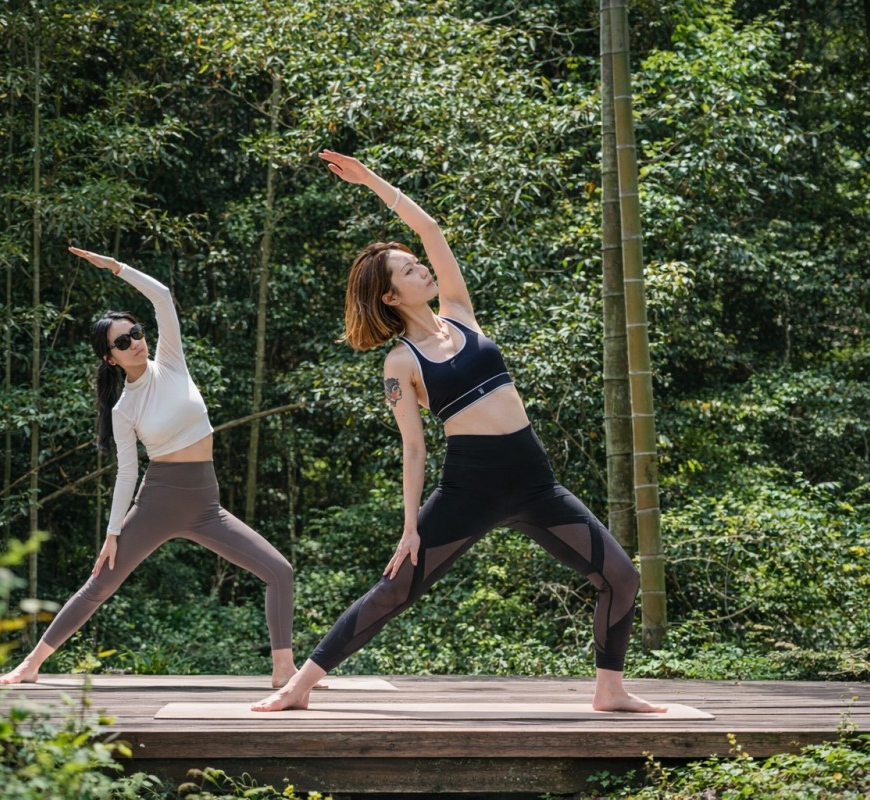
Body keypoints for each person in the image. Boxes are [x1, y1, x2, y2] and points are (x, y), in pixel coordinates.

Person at [253, 151, 665, 713]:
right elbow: (414, 447)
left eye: (415, 262)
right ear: (390, 297)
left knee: (622, 576)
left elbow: (430, 227)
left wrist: (372, 180)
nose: (420, 266)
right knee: (397, 588)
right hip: (468, 488)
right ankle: (298, 687)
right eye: (406, 270)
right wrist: (408, 529)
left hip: (534, 481)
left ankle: (609, 690)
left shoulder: (461, 313)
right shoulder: (401, 363)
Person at [0, 246, 297, 687]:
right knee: (99, 584)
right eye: (122, 342)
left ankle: (283, 669)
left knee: (280, 571)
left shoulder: (172, 363)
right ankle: (30, 665)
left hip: (206, 505)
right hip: (157, 502)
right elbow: (125, 473)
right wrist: (112, 533)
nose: (135, 343)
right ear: (110, 358)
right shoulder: (124, 409)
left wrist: (116, 267)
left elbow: (162, 297)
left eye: (135, 333)